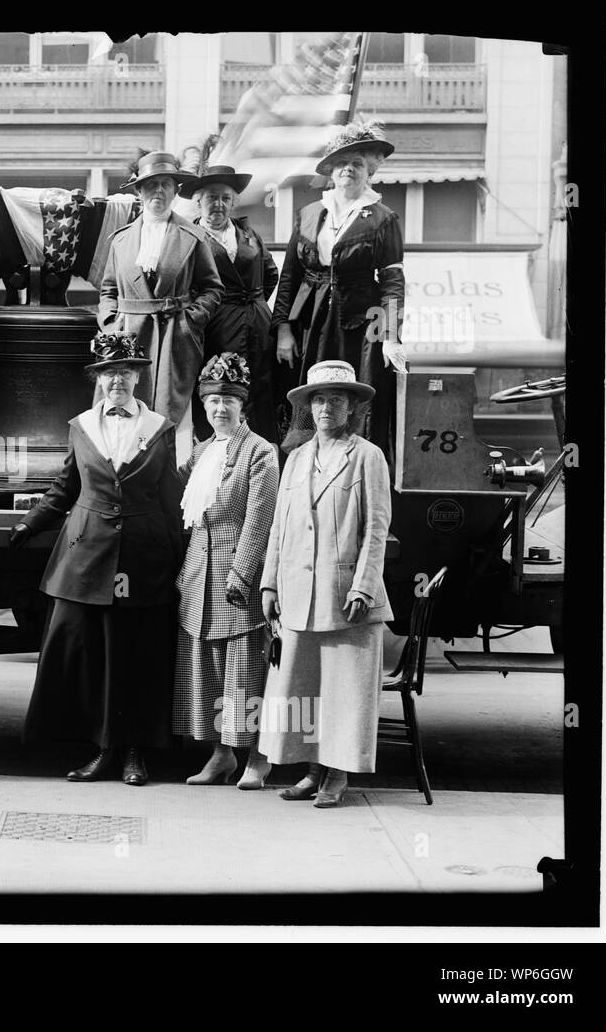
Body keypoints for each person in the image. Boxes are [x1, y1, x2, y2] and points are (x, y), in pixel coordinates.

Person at [8, 332, 184, 785]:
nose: (117, 380)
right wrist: (30, 524)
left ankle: (134, 754)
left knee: (137, 657)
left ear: (139, 377)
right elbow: (66, 488)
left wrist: (181, 559)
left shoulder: (160, 430)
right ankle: (101, 748)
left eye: (126, 372)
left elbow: (172, 500)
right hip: (86, 557)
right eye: (109, 373)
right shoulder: (80, 426)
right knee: (89, 655)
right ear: (99, 379)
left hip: (142, 560)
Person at [257, 360, 394, 808]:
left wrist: (363, 586)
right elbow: (279, 527)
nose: (325, 408)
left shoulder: (367, 456)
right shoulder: (296, 458)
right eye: (318, 399)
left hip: (347, 595)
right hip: (298, 593)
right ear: (308, 407)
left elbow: (377, 528)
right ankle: (312, 771)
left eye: (336, 399)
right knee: (304, 688)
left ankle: (337, 774)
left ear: (352, 407)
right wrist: (269, 585)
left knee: (344, 690)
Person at [271, 120, 408, 460]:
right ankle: (304, 464)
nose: (349, 169)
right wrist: (284, 330)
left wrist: (389, 336)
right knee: (310, 392)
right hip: (312, 322)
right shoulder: (308, 214)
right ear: (331, 171)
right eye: (341, 163)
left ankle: (355, 464)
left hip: (361, 325)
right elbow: (290, 275)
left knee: (357, 392)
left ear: (369, 172)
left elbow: (392, 280)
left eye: (357, 163)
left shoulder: (383, 218)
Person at [172, 353, 279, 787]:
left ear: (242, 405)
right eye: (213, 400)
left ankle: (257, 757)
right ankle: (220, 755)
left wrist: (242, 574)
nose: (220, 408)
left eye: (228, 401)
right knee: (210, 667)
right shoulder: (200, 452)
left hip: (238, 573)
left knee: (246, 666)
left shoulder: (260, 452)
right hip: (199, 571)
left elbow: (260, 517)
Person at [98, 149, 223, 439]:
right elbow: (108, 290)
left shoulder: (193, 236)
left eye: (165, 184)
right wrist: (112, 323)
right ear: (139, 190)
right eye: (151, 184)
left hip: (173, 336)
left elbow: (212, 288)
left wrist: (189, 320)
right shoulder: (121, 240)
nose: (158, 191)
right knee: (123, 409)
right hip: (127, 335)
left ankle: (168, 477)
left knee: (169, 415)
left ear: (175, 190)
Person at [181, 145, 280, 442]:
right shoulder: (189, 236)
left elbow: (270, 274)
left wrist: (253, 304)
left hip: (257, 325)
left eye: (226, 198)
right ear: (199, 202)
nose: (219, 205)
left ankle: (261, 460)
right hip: (216, 327)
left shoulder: (248, 234)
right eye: (212, 198)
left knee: (260, 390)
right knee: (221, 388)